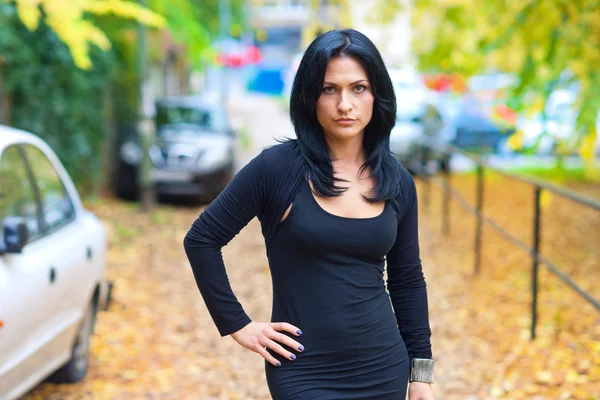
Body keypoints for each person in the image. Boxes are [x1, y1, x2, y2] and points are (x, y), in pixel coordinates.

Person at [184, 29, 436, 400]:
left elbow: (407, 280)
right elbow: (202, 240)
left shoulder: (396, 181)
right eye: (329, 89)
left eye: (358, 88)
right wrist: (237, 324)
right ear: (309, 97)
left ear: (377, 95)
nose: (344, 104)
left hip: (382, 366)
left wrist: (422, 374)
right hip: (304, 370)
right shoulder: (277, 169)